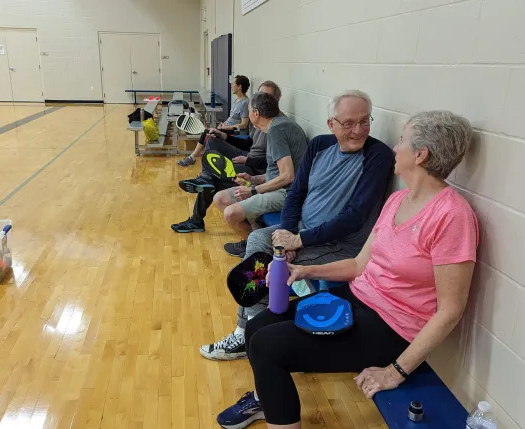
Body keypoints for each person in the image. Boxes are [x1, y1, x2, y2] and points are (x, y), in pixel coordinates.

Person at [216, 110, 479, 429]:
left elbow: (451, 311)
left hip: (392, 328)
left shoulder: (453, 216)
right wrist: (303, 271)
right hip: (357, 300)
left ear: (420, 155)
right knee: (258, 327)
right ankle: (264, 400)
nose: (395, 148)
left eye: (402, 140)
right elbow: (358, 264)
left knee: (266, 346)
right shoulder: (397, 200)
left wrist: (395, 371)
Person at [200, 90, 394, 361]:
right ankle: (248, 331)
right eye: (349, 123)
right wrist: (287, 234)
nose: (358, 130)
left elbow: (355, 217)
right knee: (258, 244)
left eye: (364, 121)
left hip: (340, 244)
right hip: (301, 229)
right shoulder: (319, 146)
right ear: (331, 124)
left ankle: (252, 333)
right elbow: (296, 193)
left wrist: (298, 242)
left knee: (271, 266)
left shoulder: (378, 156)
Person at [171, 81, 283, 233]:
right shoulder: (258, 119)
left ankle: (197, 218)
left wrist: (248, 160)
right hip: (247, 155)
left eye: (267, 96)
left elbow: (273, 165)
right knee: (212, 140)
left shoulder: (277, 127)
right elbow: (249, 143)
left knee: (213, 179)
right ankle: (206, 177)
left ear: (277, 100)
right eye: (260, 96)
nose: (263, 100)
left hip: (255, 168)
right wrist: (224, 136)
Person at [214, 92, 308, 257]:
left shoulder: (277, 130)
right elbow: (277, 173)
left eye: (249, 110)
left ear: (256, 113)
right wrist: (252, 179)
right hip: (276, 187)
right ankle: (253, 243)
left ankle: (257, 250)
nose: (248, 114)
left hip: (287, 193)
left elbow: (288, 176)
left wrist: (253, 190)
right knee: (220, 198)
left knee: (230, 213)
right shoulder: (277, 126)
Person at [178, 75, 251, 167]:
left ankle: (192, 158)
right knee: (207, 133)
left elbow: (244, 125)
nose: (231, 86)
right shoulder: (237, 100)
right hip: (226, 128)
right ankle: (194, 158)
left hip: (235, 132)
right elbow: (232, 118)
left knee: (207, 133)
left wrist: (226, 127)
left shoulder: (245, 103)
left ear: (239, 86)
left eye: (233, 84)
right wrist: (224, 123)